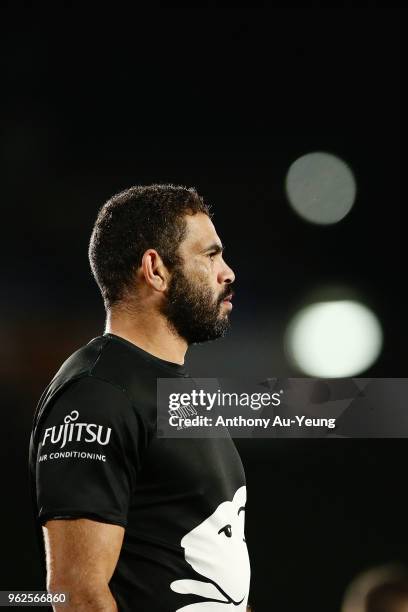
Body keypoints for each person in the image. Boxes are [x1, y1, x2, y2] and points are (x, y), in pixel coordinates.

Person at [28, 184, 251, 611]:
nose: (228, 272)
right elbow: (77, 595)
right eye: (210, 255)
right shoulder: (96, 396)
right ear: (155, 269)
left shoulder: (180, 395)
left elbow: (223, 567)